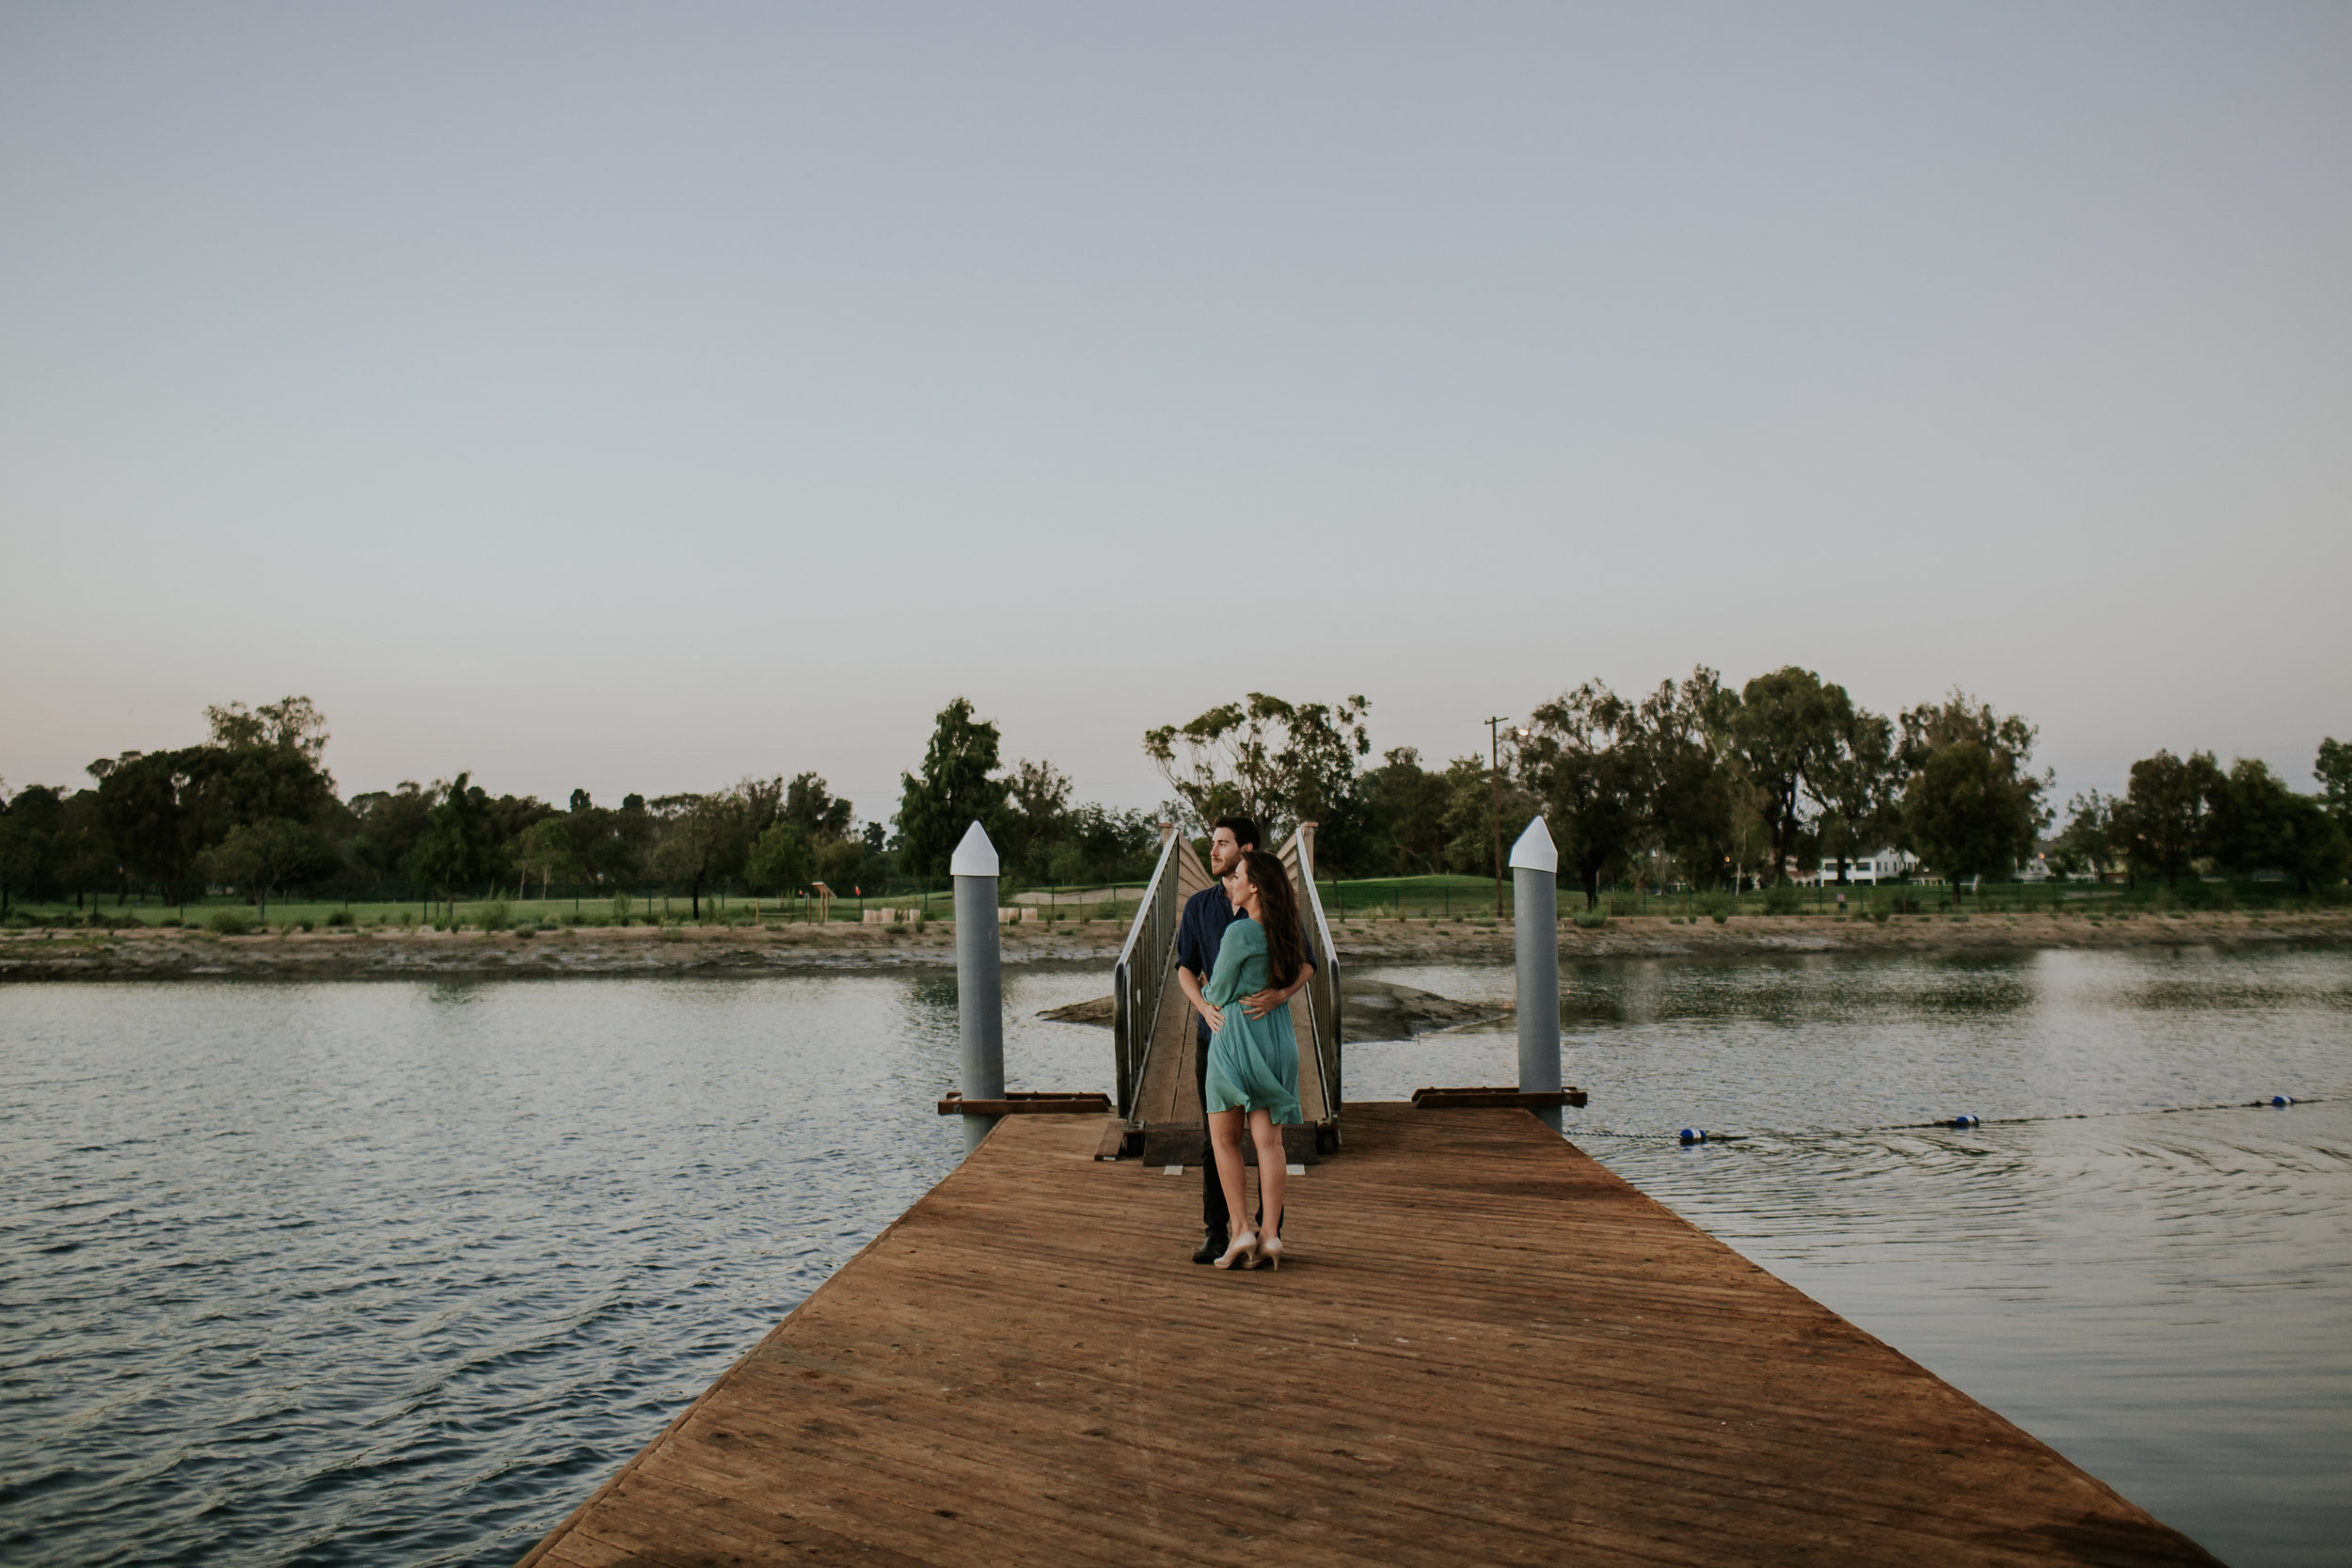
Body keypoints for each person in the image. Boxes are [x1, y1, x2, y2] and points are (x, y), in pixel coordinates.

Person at [1174, 816, 1314, 1263]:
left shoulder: (1240, 928)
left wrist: (1271, 994)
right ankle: (1265, 1235)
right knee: (1268, 1141)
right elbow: (1186, 966)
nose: (1214, 853)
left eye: (1222, 845)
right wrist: (1207, 1003)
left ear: (1247, 855)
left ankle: (1239, 1231)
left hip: (1233, 1038)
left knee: (1223, 1138)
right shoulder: (1273, 920)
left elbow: (1219, 988)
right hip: (1272, 1037)